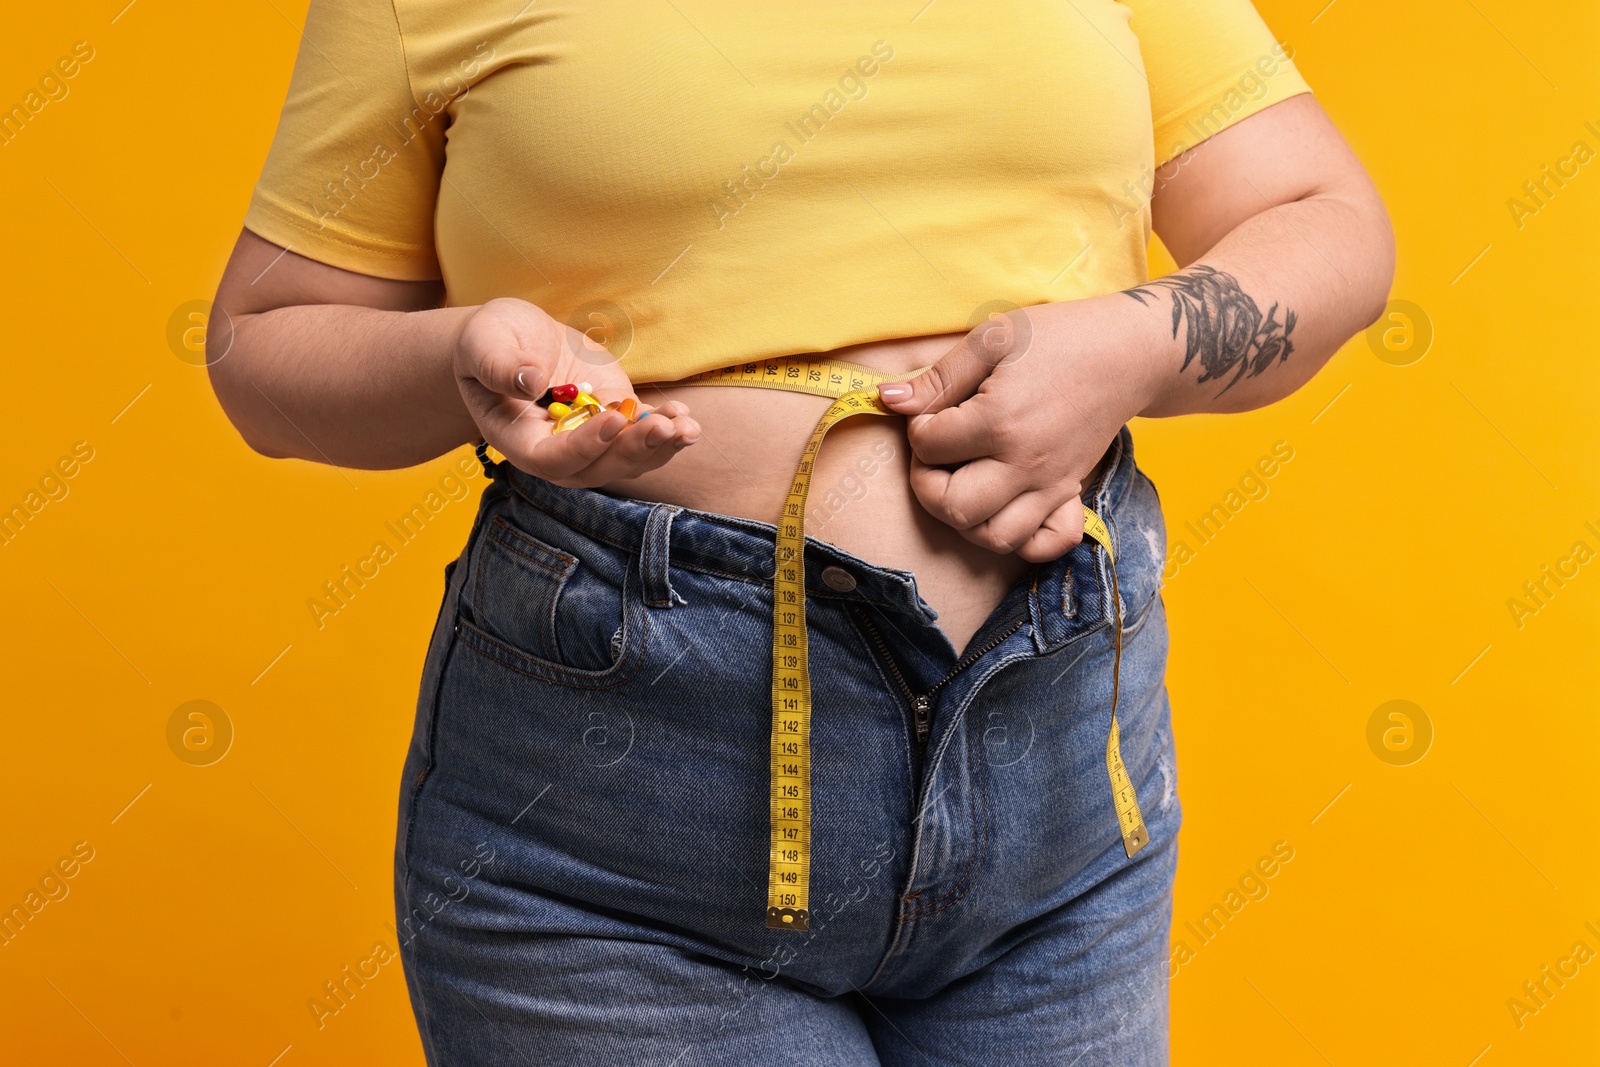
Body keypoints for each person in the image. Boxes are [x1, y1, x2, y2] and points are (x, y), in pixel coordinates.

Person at [207, 1, 1393, 1063]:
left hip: (1058, 803)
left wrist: (1134, 343)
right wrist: (454, 358)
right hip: (617, 844)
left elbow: (1327, 223)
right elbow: (263, 346)